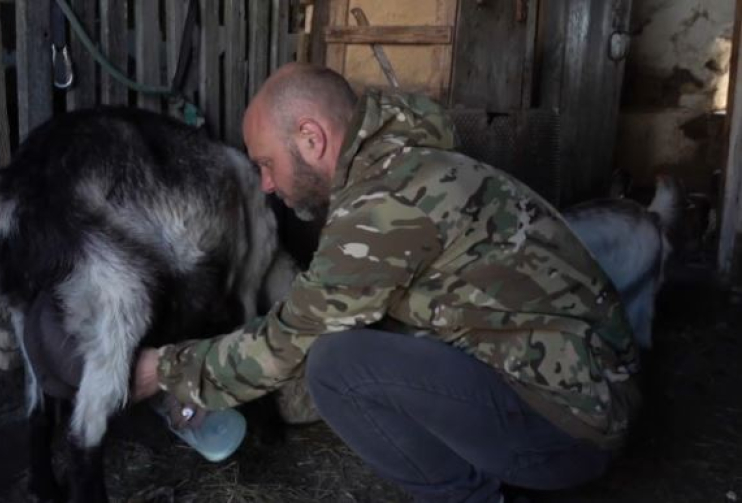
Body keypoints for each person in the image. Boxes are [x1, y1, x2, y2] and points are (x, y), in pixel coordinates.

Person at [132, 62, 641, 503]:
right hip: (581, 389)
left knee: (336, 365)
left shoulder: (383, 208)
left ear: (311, 138)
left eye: (267, 163)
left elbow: (288, 340)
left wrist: (165, 370)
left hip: (570, 428)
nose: (265, 184)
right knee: (355, 339)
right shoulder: (406, 164)